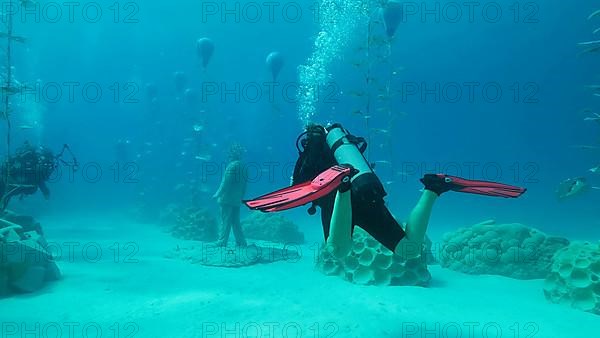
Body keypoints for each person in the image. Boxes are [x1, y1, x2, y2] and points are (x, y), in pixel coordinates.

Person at [245, 123, 526, 260]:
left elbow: (300, 187)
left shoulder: (310, 151)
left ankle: (341, 183)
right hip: (368, 190)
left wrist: (337, 186)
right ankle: (434, 188)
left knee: (338, 252)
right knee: (410, 250)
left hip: (338, 198)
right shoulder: (346, 145)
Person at [0, 142, 56, 211]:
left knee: (6, 194)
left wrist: (45, 191)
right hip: (11, 182)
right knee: (4, 192)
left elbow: (39, 181)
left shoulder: (37, 170)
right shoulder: (28, 161)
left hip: (16, 186)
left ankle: (2, 209)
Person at [212, 144, 248, 247]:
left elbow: (225, 182)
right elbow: (244, 185)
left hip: (226, 199)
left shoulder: (231, 166)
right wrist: (241, 197)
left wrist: (217, 194)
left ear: (231, 156)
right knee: (236, 222)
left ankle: (222, 241)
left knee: (225, 220)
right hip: (237, 199)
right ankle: (241, 242)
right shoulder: (244, 167)